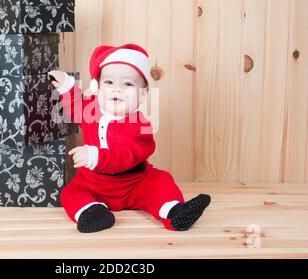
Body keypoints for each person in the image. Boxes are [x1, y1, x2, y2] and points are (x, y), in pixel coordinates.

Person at [49, 44, 211, 233]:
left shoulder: (140, 124)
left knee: (161, 181)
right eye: (109, 83)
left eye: (127, 84)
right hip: (94, 184)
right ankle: (92, 211)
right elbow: (76, 107)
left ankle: (174, 212)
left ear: (142, 95)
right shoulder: (91, 111)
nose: (117, 90)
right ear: (98, 88)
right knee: (71, 193)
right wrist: (66, 86)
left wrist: (95, 156)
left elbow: (126, 155)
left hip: (134, 183)